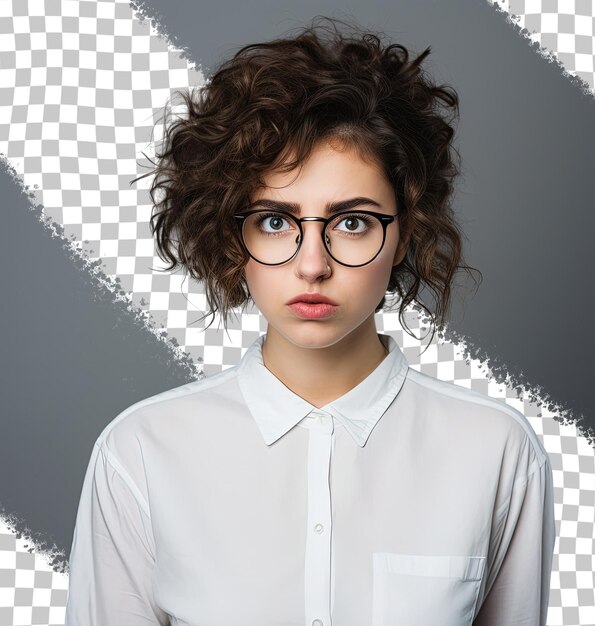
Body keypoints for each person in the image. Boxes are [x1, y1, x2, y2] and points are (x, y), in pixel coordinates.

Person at [64, 16, 555, 626]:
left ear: (405, 233)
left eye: (352, 222)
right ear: (230, 233)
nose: (312, 265)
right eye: (275, 221)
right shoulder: (140, 455)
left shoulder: (497, 452)